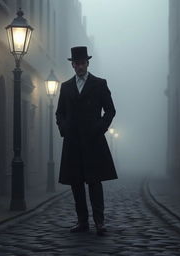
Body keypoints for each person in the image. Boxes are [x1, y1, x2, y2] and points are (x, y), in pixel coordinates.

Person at [55, 46, 117, 236]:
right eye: (77, 63)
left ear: (87, 64)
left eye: (83, 63)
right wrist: (64, 129)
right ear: (73, 65)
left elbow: (110, 110)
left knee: (94, 183)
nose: (80, 66)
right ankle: (82, 221)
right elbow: (60, 113)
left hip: (93, 142)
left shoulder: (99, 84)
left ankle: (99, 222)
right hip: (73, 143)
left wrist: (100, 128)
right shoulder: (65, 87)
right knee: (76, 184)